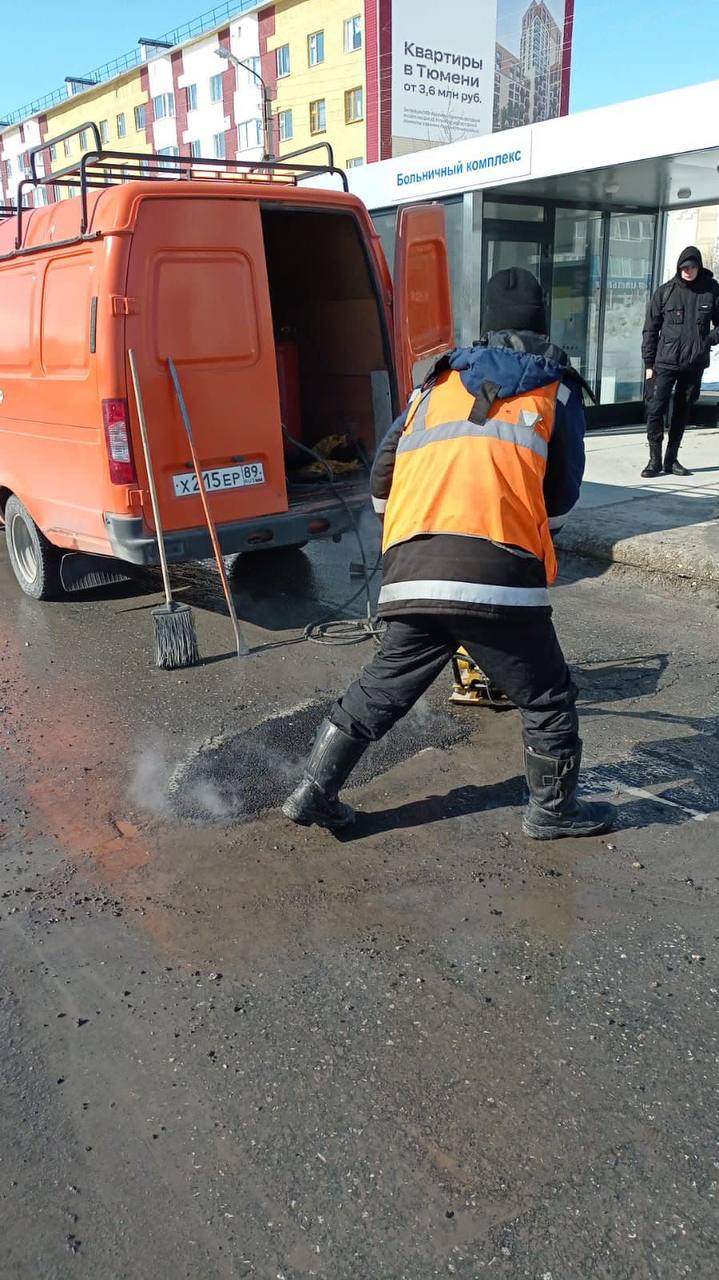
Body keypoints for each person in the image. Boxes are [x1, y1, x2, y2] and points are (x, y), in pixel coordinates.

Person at [283, 267, 615, 842]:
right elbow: (561, 495)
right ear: (541, 324)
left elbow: (383, 477)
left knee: (381, 690)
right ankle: (551, 812)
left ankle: (313, 791)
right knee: (548, 696)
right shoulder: (553, 389)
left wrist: (417, 534)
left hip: (413, 567)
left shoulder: (435, 385)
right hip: (497, 570)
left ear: (483, 328)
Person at [641, 245, 719, 478]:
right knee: (655, 409)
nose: (688, 271)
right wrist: (648, 364)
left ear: (698, 267)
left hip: (693, 364)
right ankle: (654, 460)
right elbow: (650, 329)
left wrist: (708, 341)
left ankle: (671, 459)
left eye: (692, 266)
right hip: (664, 363)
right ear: (679, 267)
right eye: (684, 267)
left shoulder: (711, 291)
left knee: (682, 412)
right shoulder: (665, 292)